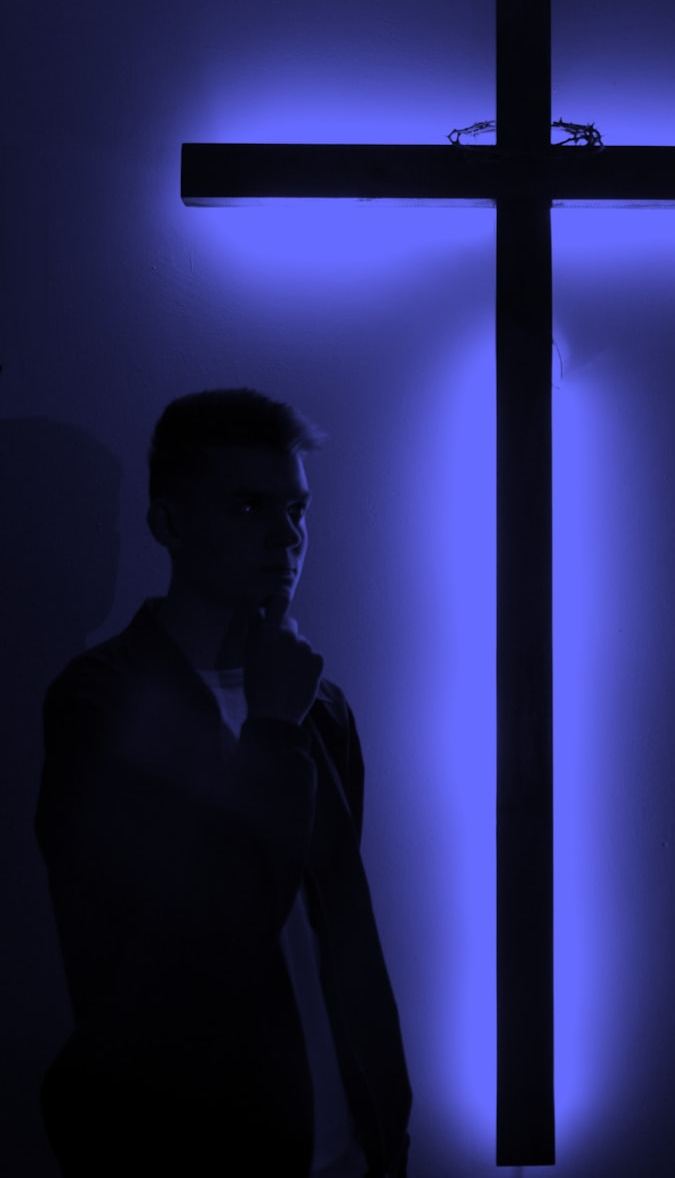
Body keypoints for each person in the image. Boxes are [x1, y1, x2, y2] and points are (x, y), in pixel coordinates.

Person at [35, 388, 412, 1178]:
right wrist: (270, 727)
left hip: (350, 1155)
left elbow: (341, 933)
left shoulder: (320, 707)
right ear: (169, 524)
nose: (286, 535)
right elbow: (201, 945)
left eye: (297, 509)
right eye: (248, 506)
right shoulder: (100, 704)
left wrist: (387, 1126)